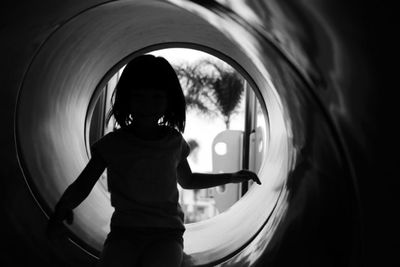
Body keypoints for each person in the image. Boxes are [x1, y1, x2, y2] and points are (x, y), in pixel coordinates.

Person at [46, 54, 261, 267]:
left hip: (166, 234)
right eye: (139, 97)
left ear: (169, 102)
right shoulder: (113, 144)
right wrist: (62, 208)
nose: (147, 105)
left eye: (157, 97)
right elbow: (84, 183)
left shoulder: (173, 142)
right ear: (126, 99)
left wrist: (231, 177)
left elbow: (188, 180)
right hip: (124, 232)